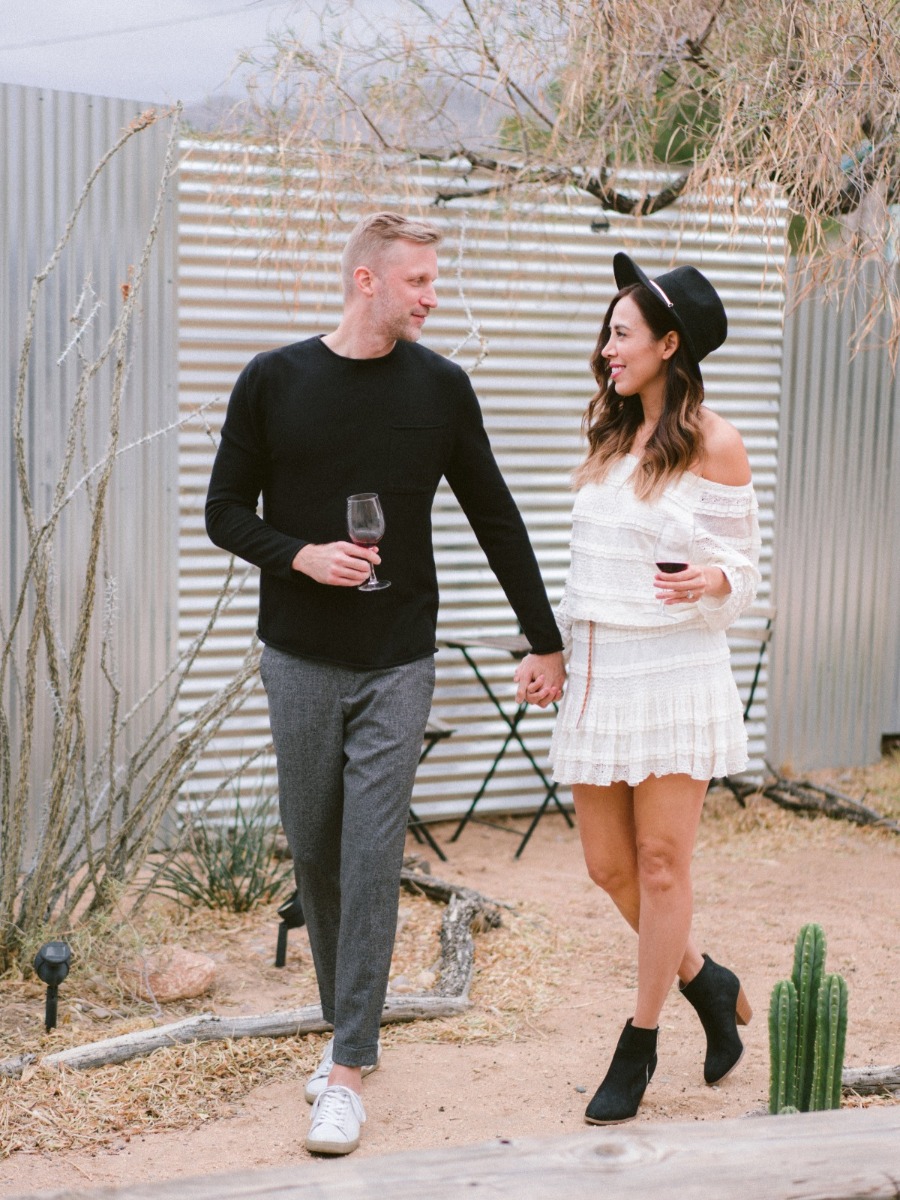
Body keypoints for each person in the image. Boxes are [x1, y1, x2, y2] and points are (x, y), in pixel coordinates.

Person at [205, 212, 565, 1156]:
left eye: (433, 282)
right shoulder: (274, 380)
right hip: (298, 657)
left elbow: (494, 511)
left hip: (400, 657)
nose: (432, 296)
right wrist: (301, 557)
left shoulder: (442, 388)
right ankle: (344, 1028)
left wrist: (546, 637)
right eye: (418, 282)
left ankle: (350, 1066)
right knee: (316, 849)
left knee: (372, 851)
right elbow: (222, 512)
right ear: (368, 281)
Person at [516, 252, 760, 1125]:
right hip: (601, 671)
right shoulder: (610, 436)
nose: (607, 348)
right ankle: (704, 978)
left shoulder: (715, 441)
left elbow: (744, 567)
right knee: (607, 866)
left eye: (622, 334)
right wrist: (550, 654)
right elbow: (585, 567)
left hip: (674, 670)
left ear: (668, 343)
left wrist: (715, 582)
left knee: (662, 866)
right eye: (607, 333)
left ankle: (641, 1040)